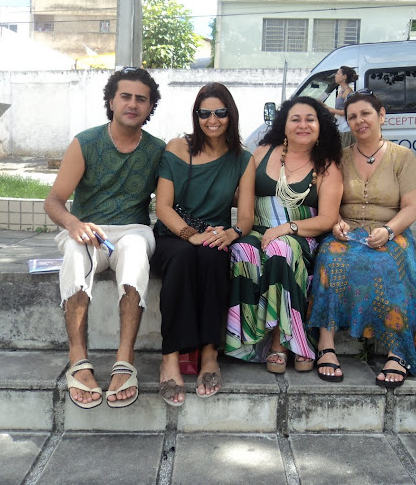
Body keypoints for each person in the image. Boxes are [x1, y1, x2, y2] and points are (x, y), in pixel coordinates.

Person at [44, 67, 165, 410]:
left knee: (136, 249)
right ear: (111, 101)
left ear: (150, 106)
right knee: (73, 253)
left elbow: (178, 195)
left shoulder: (157, 150)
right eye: (125, 96)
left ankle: (124, 360)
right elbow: (53, 201)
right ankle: (78, 358)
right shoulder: (86, 143)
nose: (132, 104)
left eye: (141, 98)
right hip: (88, 229)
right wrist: (73, 223)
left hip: (133, 229)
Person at [308, 90, 416, 387]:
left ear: (381, 115)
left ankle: (398, 352)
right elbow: (329, 200)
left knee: (391, 263)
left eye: (365, 113)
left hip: (391, 230)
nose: (359, 121)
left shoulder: (402, 157)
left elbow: (412, 206)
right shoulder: (338, 158)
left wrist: (389, 230)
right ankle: (326, 345)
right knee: (329, 257)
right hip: (346, 230)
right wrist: (336, 222)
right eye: (352, 116)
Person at [152, 82, 255, 406]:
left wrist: (232, 233)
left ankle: (210, 354)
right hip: (174, 234)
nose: (213, 119)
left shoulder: (243, 159)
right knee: (183, 258)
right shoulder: (177, 148)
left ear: (231, 115)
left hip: (214, 235)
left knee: (213, 260)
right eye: (205, 112)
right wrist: (189, 234)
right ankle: (170, 357)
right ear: (196, 115)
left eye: (220, 112)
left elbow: (247, 217)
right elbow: (163, 206)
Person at [225, 96, 343, 373]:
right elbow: (241, 197)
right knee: (243, 251)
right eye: (295, 119)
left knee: (281, 250)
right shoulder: (263, 152)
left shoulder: (327, 165)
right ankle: (249, 340)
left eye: (310, 119)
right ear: (284, 124)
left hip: (302, 235)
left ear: (320, 126)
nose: (303, 125)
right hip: (259, 229)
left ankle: (283, 342)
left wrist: (286, 228)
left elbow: (326, 219)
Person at [327, 65, 358, 147]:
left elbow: (350, 112)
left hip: (346, 128)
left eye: (337, 74)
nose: (335, 76)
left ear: (344, 77)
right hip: (340, 126)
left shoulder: (348, 92)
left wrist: (332, 110)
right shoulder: (341, 91)